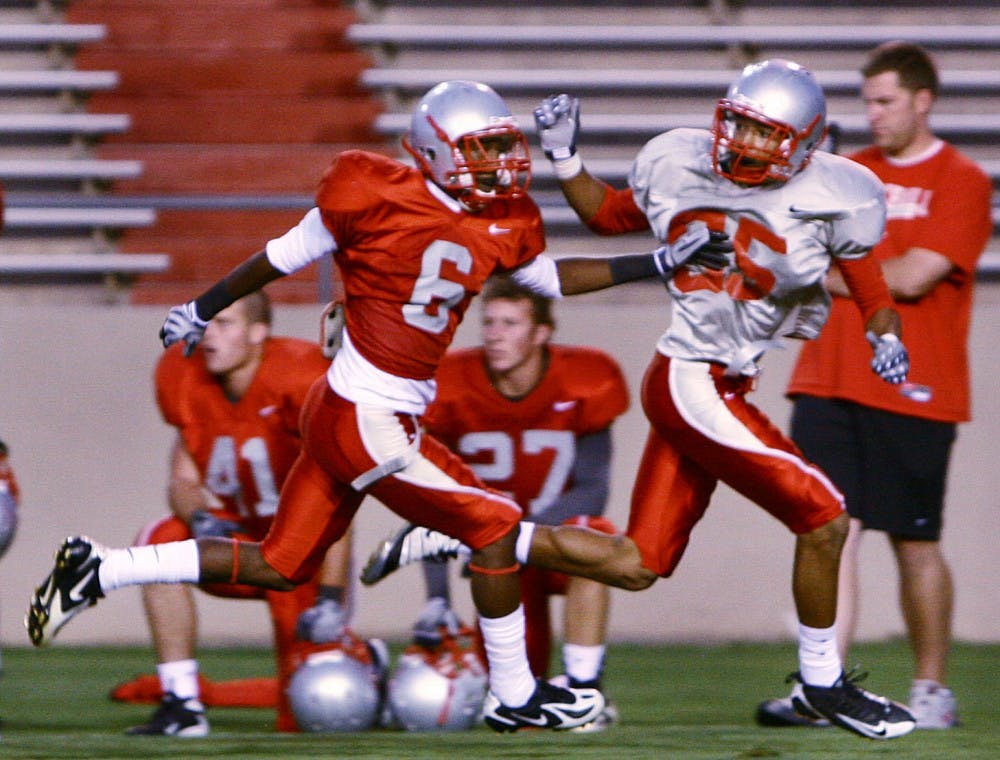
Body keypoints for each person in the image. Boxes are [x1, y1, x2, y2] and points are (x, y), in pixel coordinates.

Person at [26, 80, 725, 733]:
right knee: (495, 527)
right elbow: (281, 255)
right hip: (367, 412)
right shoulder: (370, 189)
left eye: (503, 147)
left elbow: (546, 278)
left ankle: (103, 567)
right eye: (481, 149)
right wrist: (203, 307)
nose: (502, 164)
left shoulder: (506, 218)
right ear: (430, 149)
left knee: (282, 562)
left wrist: (655, 266)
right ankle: (516, 698)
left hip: (354, 411)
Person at [360, 60, 921, 741]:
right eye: (737, 123)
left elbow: (871, 288)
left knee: (636, 565)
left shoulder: (841, 192)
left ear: (805, 142)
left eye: (763, 132)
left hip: (725, 382)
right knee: (826, 518)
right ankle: (823, 683)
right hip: (693, 379)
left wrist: (882, 336)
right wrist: (565, 157)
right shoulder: (680, 160)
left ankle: (467, 532)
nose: (742, 141)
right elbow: (607, 215)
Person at [756, 42, 992, 731]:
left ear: (923, 100)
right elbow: (790, 246)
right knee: (828, 531)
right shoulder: (845, 172)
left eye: (886, 100)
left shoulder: (961, 178)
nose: (874, 114)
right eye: (868, 101)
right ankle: (821, 685)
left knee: (914, 540)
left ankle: (930, 688)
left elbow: (917, 275)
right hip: (826, 378)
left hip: (914, 383)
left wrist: (819, 273)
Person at [119, 290, 357, 736]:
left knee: (305, 715)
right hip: (238, 543)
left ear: (259, 333)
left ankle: (364, 662)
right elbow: (184, 476)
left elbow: (338, 496)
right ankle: (181, 702)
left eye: (225, 323)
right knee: (157, 542)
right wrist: (199, 518)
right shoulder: (186, 376)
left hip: (301, 557)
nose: (209, 335)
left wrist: (329, 598)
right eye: (207, 323)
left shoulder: (299, 376)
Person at [414, 275, 628, 730]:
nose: (494, 334)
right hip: (494, 558)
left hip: (544, 540)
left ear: (541, 333)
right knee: (509, 700)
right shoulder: (452, 382)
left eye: (510, 323)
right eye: (489, 322)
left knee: (598, 541)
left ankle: (585, 691)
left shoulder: (583, 378)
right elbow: (431, 499)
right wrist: (437, 598)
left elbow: (593, 488)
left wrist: (516, 536)